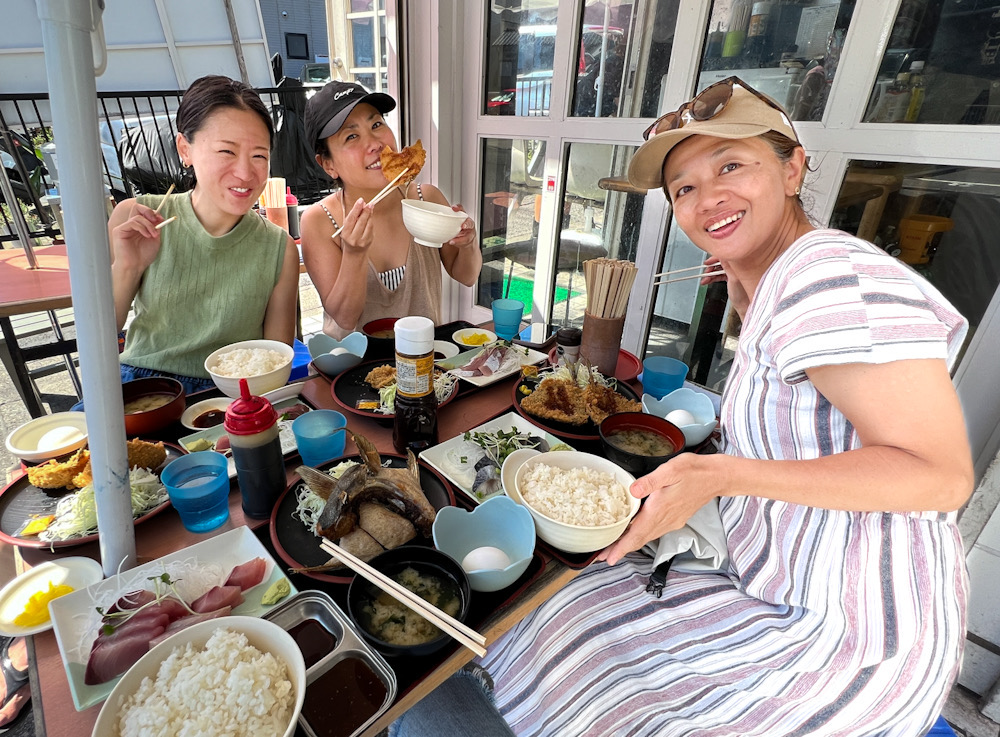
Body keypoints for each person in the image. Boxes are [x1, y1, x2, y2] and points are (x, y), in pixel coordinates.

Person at [410, 78, 971, 736]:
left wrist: (725, 474)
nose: (708, 199)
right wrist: (742, 285)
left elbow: (943, 474)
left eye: (731, 165)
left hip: (855, 638)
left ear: (792, 168)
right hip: (780, 583)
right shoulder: (780, 279)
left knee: (572, 640)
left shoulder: (827, 274)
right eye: (685, 187)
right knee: (563, 601)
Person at [109, 75, 300, 394]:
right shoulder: (137, 217)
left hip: (229, 396)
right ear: (185, 149)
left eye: (259, 156)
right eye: (226, 151)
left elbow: (273, 363)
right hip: (140, 384)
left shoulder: (279, 247)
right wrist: (128, 268)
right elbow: (95, 345)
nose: (245, 173)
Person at [299, 81, 482, 339]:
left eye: (376, 124)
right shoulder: (320, 221)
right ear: (328, 164)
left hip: (422, 365)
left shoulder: (425, 199)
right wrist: (354, 252)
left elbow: (468, 275)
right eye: (351, 136)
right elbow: (344, 317)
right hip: (352, 372)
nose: (374, 143)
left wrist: (468, 243)